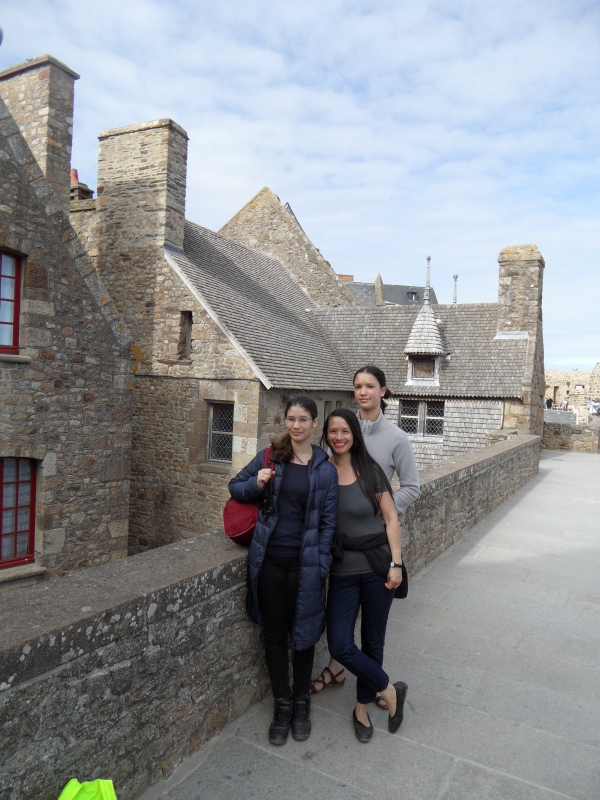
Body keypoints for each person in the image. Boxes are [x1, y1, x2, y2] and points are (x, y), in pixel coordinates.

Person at [228, 396, 338, 746]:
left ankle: (301, 703)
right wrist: (256, 484)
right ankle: (282, 703)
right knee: (275, 634)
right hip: (271, 561)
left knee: (304, 635)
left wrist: (321, 566)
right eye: (291, 418)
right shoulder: (270, 456)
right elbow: (235, 487)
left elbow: (328, 524)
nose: (296, 425)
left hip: (306, 566)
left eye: (303, 419)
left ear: (315, 423)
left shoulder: (325, 469)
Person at [311, 365, 419, 706]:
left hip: (374, 548)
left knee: (373, 634)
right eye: (357, 386)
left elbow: (412, 487)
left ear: (382, 391)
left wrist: (377, 509)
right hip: (343, 552)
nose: (362, 392)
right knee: (342, 631)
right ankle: (339, 669)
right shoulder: (343, 431)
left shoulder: (396, 438)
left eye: (370, 386)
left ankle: (369, 693)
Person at [322, 408, 407, 741]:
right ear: (326, 435)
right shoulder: (323, 471)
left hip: (376, 568)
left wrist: (396, 564)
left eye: (345, 431)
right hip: (342, 571)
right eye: (333, 431)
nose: (339, 437)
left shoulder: (370, 471)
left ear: (355, 434)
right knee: (340, 644)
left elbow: (391, 519)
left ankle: (361, 706)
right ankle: (388, 688)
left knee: (373, 640)